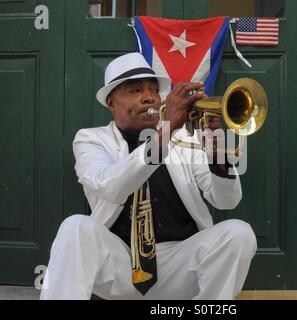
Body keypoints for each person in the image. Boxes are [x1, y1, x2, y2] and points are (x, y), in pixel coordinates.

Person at [40, 52, 257, 300]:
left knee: (239, 233)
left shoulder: (186, 137)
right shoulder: (91, 139)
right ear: (111, 102)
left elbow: (226, 202)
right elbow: (109, 185)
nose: (149, 98)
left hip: (180, 264)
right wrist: (167, 130)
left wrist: (219, 160)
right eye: (135, 91)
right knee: (75, 227)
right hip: (119, 265)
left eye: (153, 90)